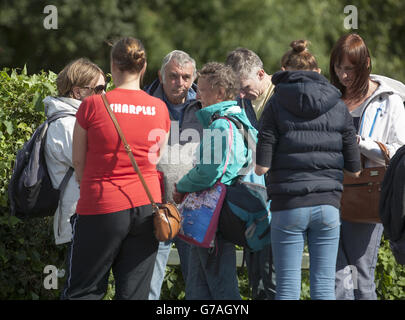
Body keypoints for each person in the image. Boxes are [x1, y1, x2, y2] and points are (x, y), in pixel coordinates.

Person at [62, 37, 171, 300]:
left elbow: (79, 162)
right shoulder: (160, 108)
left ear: (112, 65)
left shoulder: (92, 105)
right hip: (146, 206)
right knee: (135, 294)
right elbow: (156, 158)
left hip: (101, 204)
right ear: (143, 67)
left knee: (85, 290)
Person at [255, 40, 361, 300]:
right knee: (324, 286)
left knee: (288, 286)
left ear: (283, 69)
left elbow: (261, 167)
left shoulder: (275, 104)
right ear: (318, 72)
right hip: (328, 205)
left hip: (288, 205)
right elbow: (355, 169)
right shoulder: (339, 106)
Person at [330, 33, 405, 300]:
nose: (343, 75)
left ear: (366, 64)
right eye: (338, 68)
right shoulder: (332, 99)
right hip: (328, 193)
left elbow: (398, 152)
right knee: (335, 274)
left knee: (360, 274)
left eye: (349, 68)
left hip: (366, 193)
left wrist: (360, 143)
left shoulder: (389, 101)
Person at [172, 62, 256, 300]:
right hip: (224, 214)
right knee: (198, 286)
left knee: (221, 288)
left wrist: (182, 185)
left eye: (202, 88)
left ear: (220, 91)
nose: (197, 94)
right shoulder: (243, 122)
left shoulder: (221, 125)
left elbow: (210, 172)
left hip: (213, 217)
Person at [144, 50, 203, 300]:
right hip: (155, 205)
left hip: (194, 206)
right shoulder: (145, 103)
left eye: (186, 77)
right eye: (174, 76)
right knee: (149, 281)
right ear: (161, 75)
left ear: (194, 77)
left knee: (197, 282)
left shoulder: (204, 104)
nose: (180, 83)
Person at [226, 48, 276, 300]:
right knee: (256, 283)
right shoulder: (241, 103)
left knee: (274, 281)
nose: (240, 94)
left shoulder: (283, 99)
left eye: (244, 86)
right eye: (236, 89)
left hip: (278, 205)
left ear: (261, 73)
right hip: (252, 204)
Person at [44, 58, 106, 246]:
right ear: (78, 92)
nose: (105, 94)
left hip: (86, 219)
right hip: (77, 222)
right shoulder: (67, 125)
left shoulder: (76, 121)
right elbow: (95, 164)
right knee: (83, 276)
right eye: (99, 89)